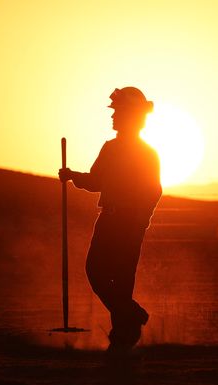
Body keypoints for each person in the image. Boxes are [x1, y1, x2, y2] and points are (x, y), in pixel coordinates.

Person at [59, 87, 162, 352]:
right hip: (109, 220)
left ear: (131, 116)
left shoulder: (147, 154)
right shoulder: (111, 148)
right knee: (97, 272)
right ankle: (132, 316)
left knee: (121, 278)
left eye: (118, 112)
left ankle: (122, 337)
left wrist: (141, 220)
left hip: (128, 224)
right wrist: (73, 176)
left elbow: (154, 191)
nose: (113, 117)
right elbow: (97, 181)